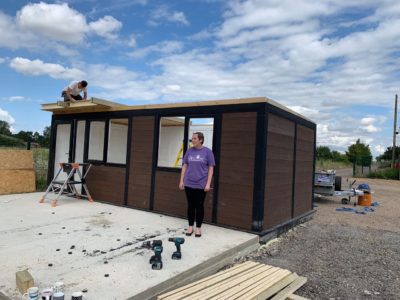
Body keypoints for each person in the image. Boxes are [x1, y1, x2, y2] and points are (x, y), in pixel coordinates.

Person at [179, 132, 215, 237]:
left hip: (201, 184)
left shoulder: (208, 152)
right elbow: (185, 166)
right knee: (190, 205)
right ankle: (190, 227)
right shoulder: (189, 151)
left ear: (200, 140)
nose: (192, 140)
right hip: (189, 183)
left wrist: (208, 184)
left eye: (194, 138)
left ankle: (198, 228)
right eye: (192, 138)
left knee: (199, 206)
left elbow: (211, 168)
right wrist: (181, 181)